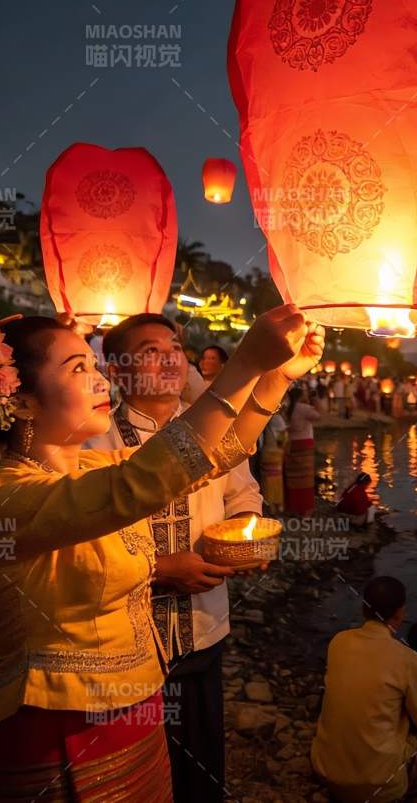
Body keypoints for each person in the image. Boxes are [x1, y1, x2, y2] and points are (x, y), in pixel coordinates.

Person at [0, 303, 321, 801]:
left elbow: (214, 454)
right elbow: (140, 484)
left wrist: (273, 376)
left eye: (93, 363)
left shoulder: (90, 467)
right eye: (78, 368)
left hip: (137, 710)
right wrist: (242, 365)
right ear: (21, 402)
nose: (99, 379)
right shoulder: (0, 500)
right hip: (60, 726)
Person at [87, 312, 264, 803]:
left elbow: (243, 493)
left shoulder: (212, 433)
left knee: (200, 755)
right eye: (150, 351)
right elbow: (78, 545)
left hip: (202, 623)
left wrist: (245, 536)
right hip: (123, 636)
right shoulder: (93, 442)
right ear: (118, 370)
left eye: (174, 348)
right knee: (130, 766)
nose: (169, 359)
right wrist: (161, 569)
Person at [311, 576, 417, 802]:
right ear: (400, 613)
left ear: (364, 609)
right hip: (378, 786)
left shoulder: (338, 642)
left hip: (325, 772)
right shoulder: (407, 659)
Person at [283, 388, 322, 516]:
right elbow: (320, 415)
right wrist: (315, 399)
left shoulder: (288, 408)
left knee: (293, 478)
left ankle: (293, 508)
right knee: (305, 480)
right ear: (300, 396)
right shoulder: (304, 408)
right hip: (304, 445)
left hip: (291, 444)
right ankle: (305, 511)